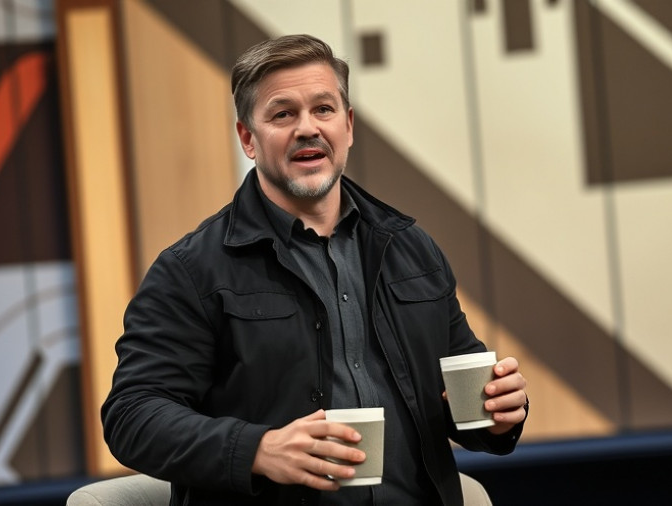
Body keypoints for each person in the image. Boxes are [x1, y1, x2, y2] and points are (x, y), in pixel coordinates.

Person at [101, 34, 529, 506]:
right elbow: (132, 416)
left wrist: (499, 412)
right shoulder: (191, 270)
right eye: (283, 114)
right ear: (248, 138)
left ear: (347, 126)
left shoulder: (411, 248)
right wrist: (258, 450)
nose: (308, 128)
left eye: (323, 109)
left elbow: (459, 401)